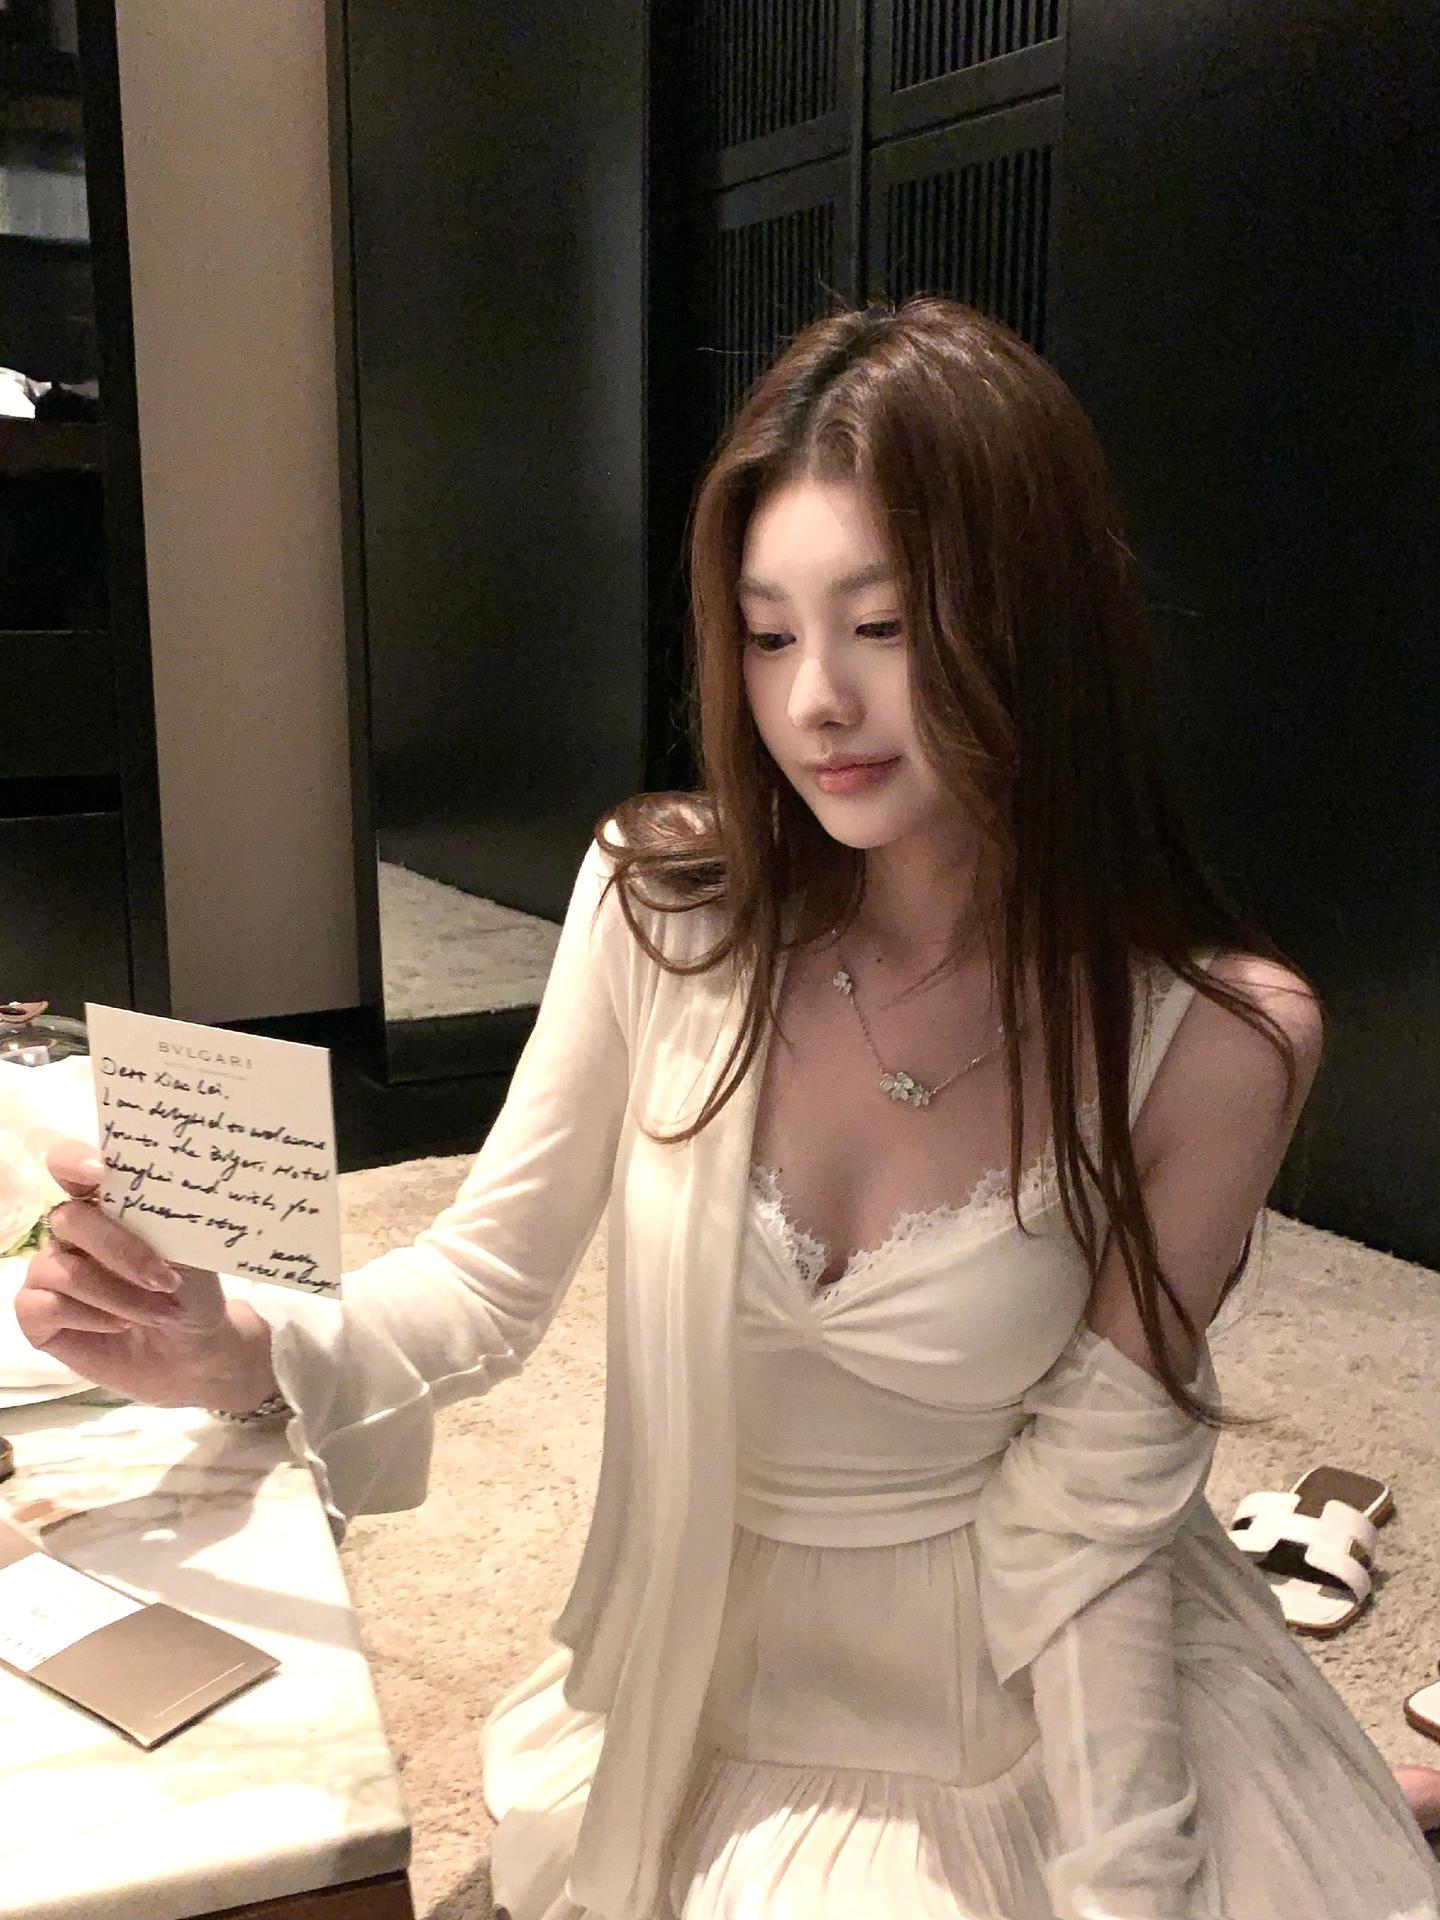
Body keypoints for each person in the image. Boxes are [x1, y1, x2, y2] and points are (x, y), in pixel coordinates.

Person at [18, 296, 1440, 1919]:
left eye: (881, 624)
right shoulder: (667, 908)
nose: (816, 697)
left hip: (1008, 1694)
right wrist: (240, 1345)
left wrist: (1129, 1883)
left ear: (1039, 621)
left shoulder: (1213, 1040)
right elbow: (484, 1280)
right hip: (708, 1656)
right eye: (768, 635)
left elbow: (1088, 1528)